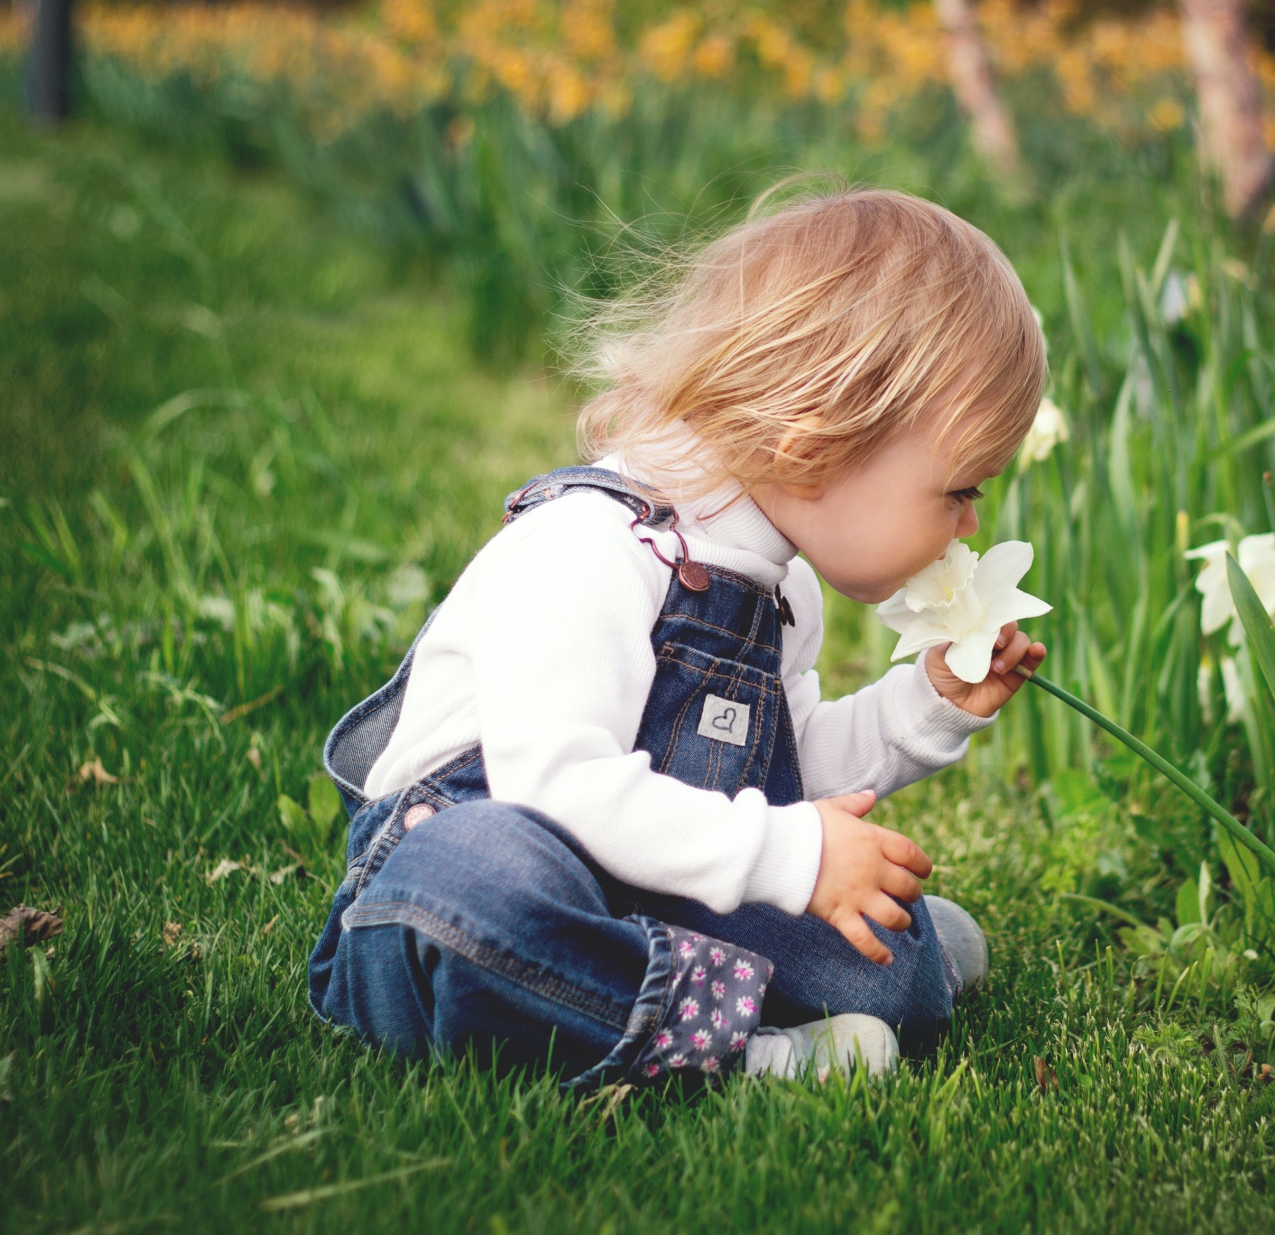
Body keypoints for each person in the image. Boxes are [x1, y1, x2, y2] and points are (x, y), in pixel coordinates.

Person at [306, 188, 1047, 1086]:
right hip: (473, 881)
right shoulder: (592, 547)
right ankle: (739, 1052)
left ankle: (817, 975)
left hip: (648, 879)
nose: (968, 526)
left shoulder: (781, 589)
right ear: (816, 444)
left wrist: (923, 708)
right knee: (479, 887)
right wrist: (790, 855)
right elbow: (556, 788)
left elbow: (783, 772)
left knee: (890, 971)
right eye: (960, 490)